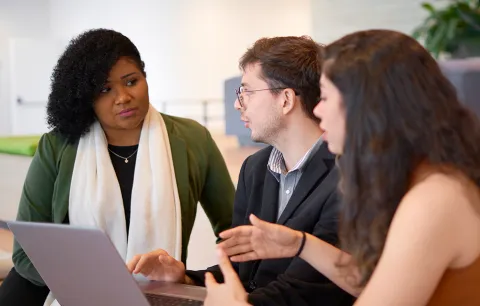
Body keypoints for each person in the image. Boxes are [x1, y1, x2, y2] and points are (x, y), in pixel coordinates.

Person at [206, 29, 480, 305]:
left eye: (325, 97)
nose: (318, 110)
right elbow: (369, 280)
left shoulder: (433, 199)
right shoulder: (428, 180)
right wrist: (300, 243)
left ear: (366, 107)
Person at [0, 28, 235, 306]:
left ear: (145, 77)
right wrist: (92, 283)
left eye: (131, 81)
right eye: (104, 89)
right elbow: (26, 255)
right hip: (59, 293)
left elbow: (236, 234)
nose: (123, 97)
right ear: (85, 97)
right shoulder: (58, 146)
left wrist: (192, 280)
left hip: (161, 295)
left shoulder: (193, 139)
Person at [127, 36, 355, 306]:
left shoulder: (347, 176)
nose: (238, 104)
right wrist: (184, 279)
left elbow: (306, 290)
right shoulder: (255, 168)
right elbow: (241, 271)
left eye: (246, 91)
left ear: (285, 100)